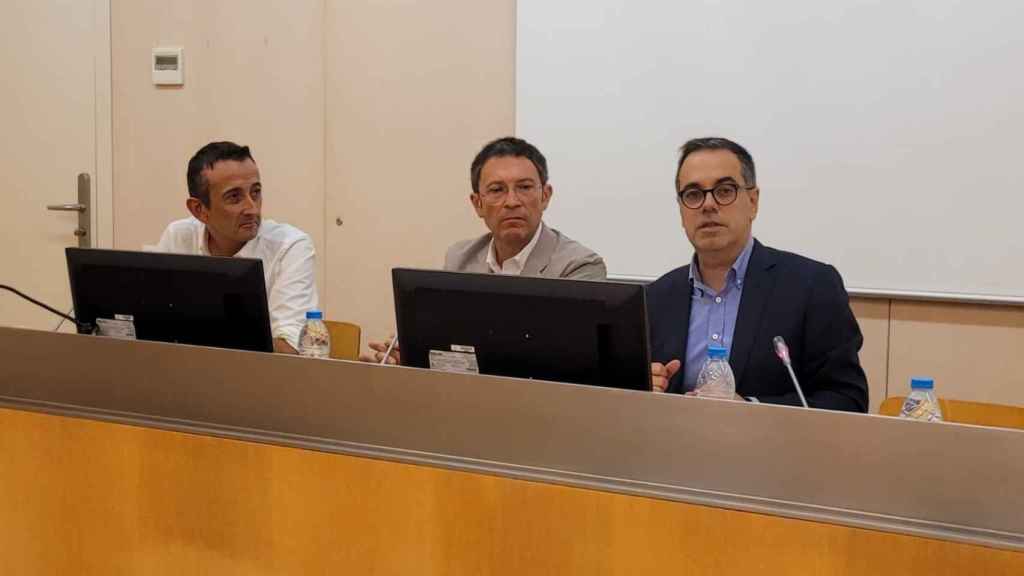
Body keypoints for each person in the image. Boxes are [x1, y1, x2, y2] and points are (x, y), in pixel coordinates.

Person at [648, 137, 868, 412]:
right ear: (681, 212)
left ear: (753, 202)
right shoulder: (656, 297)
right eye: (693, 195)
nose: (708, 205)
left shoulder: (812, 286)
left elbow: (847, 401)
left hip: (772, 453)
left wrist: (750, 408)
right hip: (674, 451)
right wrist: (644, 390)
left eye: (724, 191)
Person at [363, 136, 605, 364]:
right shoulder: (460, 259)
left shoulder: (579, 266)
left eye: (524, 187)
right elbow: (450, 347)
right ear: (478, 204)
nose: (512, 201)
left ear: (545, 196)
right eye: (497, 190)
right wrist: (415, 355)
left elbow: (570, 361)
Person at [154, 141, 319, 354]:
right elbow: (150, 324)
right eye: (234, 197)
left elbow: (289, 351)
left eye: (256, 192)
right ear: (199, 209)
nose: (252, 208)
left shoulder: (290, 247)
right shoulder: (178, 236)